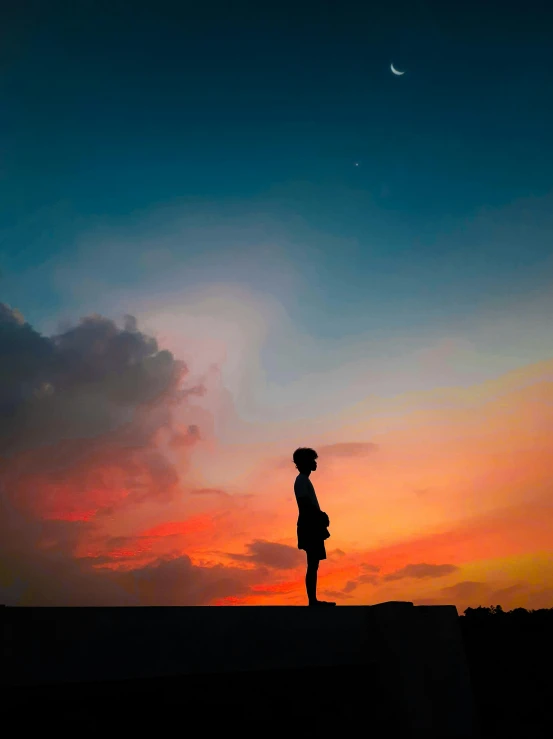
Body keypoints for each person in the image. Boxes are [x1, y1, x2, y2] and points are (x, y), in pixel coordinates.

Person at [293, 447, 336, 607]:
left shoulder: (304, 480)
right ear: (304, 462)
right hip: (309, 525)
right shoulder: (302, 480)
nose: (314, 463)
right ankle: (313, 601)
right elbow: (305, 505)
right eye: (312, 460)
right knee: (312, 563)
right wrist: (320, 516)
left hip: (311, 524)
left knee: (314, 563)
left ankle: (313, 600)